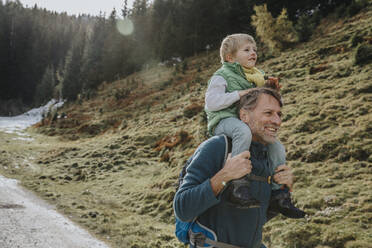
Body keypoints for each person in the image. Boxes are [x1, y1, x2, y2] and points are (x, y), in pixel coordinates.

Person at [174, 88, 297, 248]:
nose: (277, 121)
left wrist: (283, 190)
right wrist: (224, 176)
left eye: (279, 114)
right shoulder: (217, 147)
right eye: (268, 113)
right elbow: (183, 209)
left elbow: (254, 217)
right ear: (244, 116)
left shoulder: (267, 158)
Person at [204, 33, 286, 207]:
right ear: (230, 58)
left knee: (277, 147)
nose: (253, 53)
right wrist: (239, 94)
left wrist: (271, 90)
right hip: (224, 120)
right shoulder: (221, 75)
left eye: (255, 50)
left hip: (247, 121)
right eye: (247, 50)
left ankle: (278, 194)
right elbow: (211, 103)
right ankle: (238, 185)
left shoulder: (258, 76)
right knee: (242, 131)